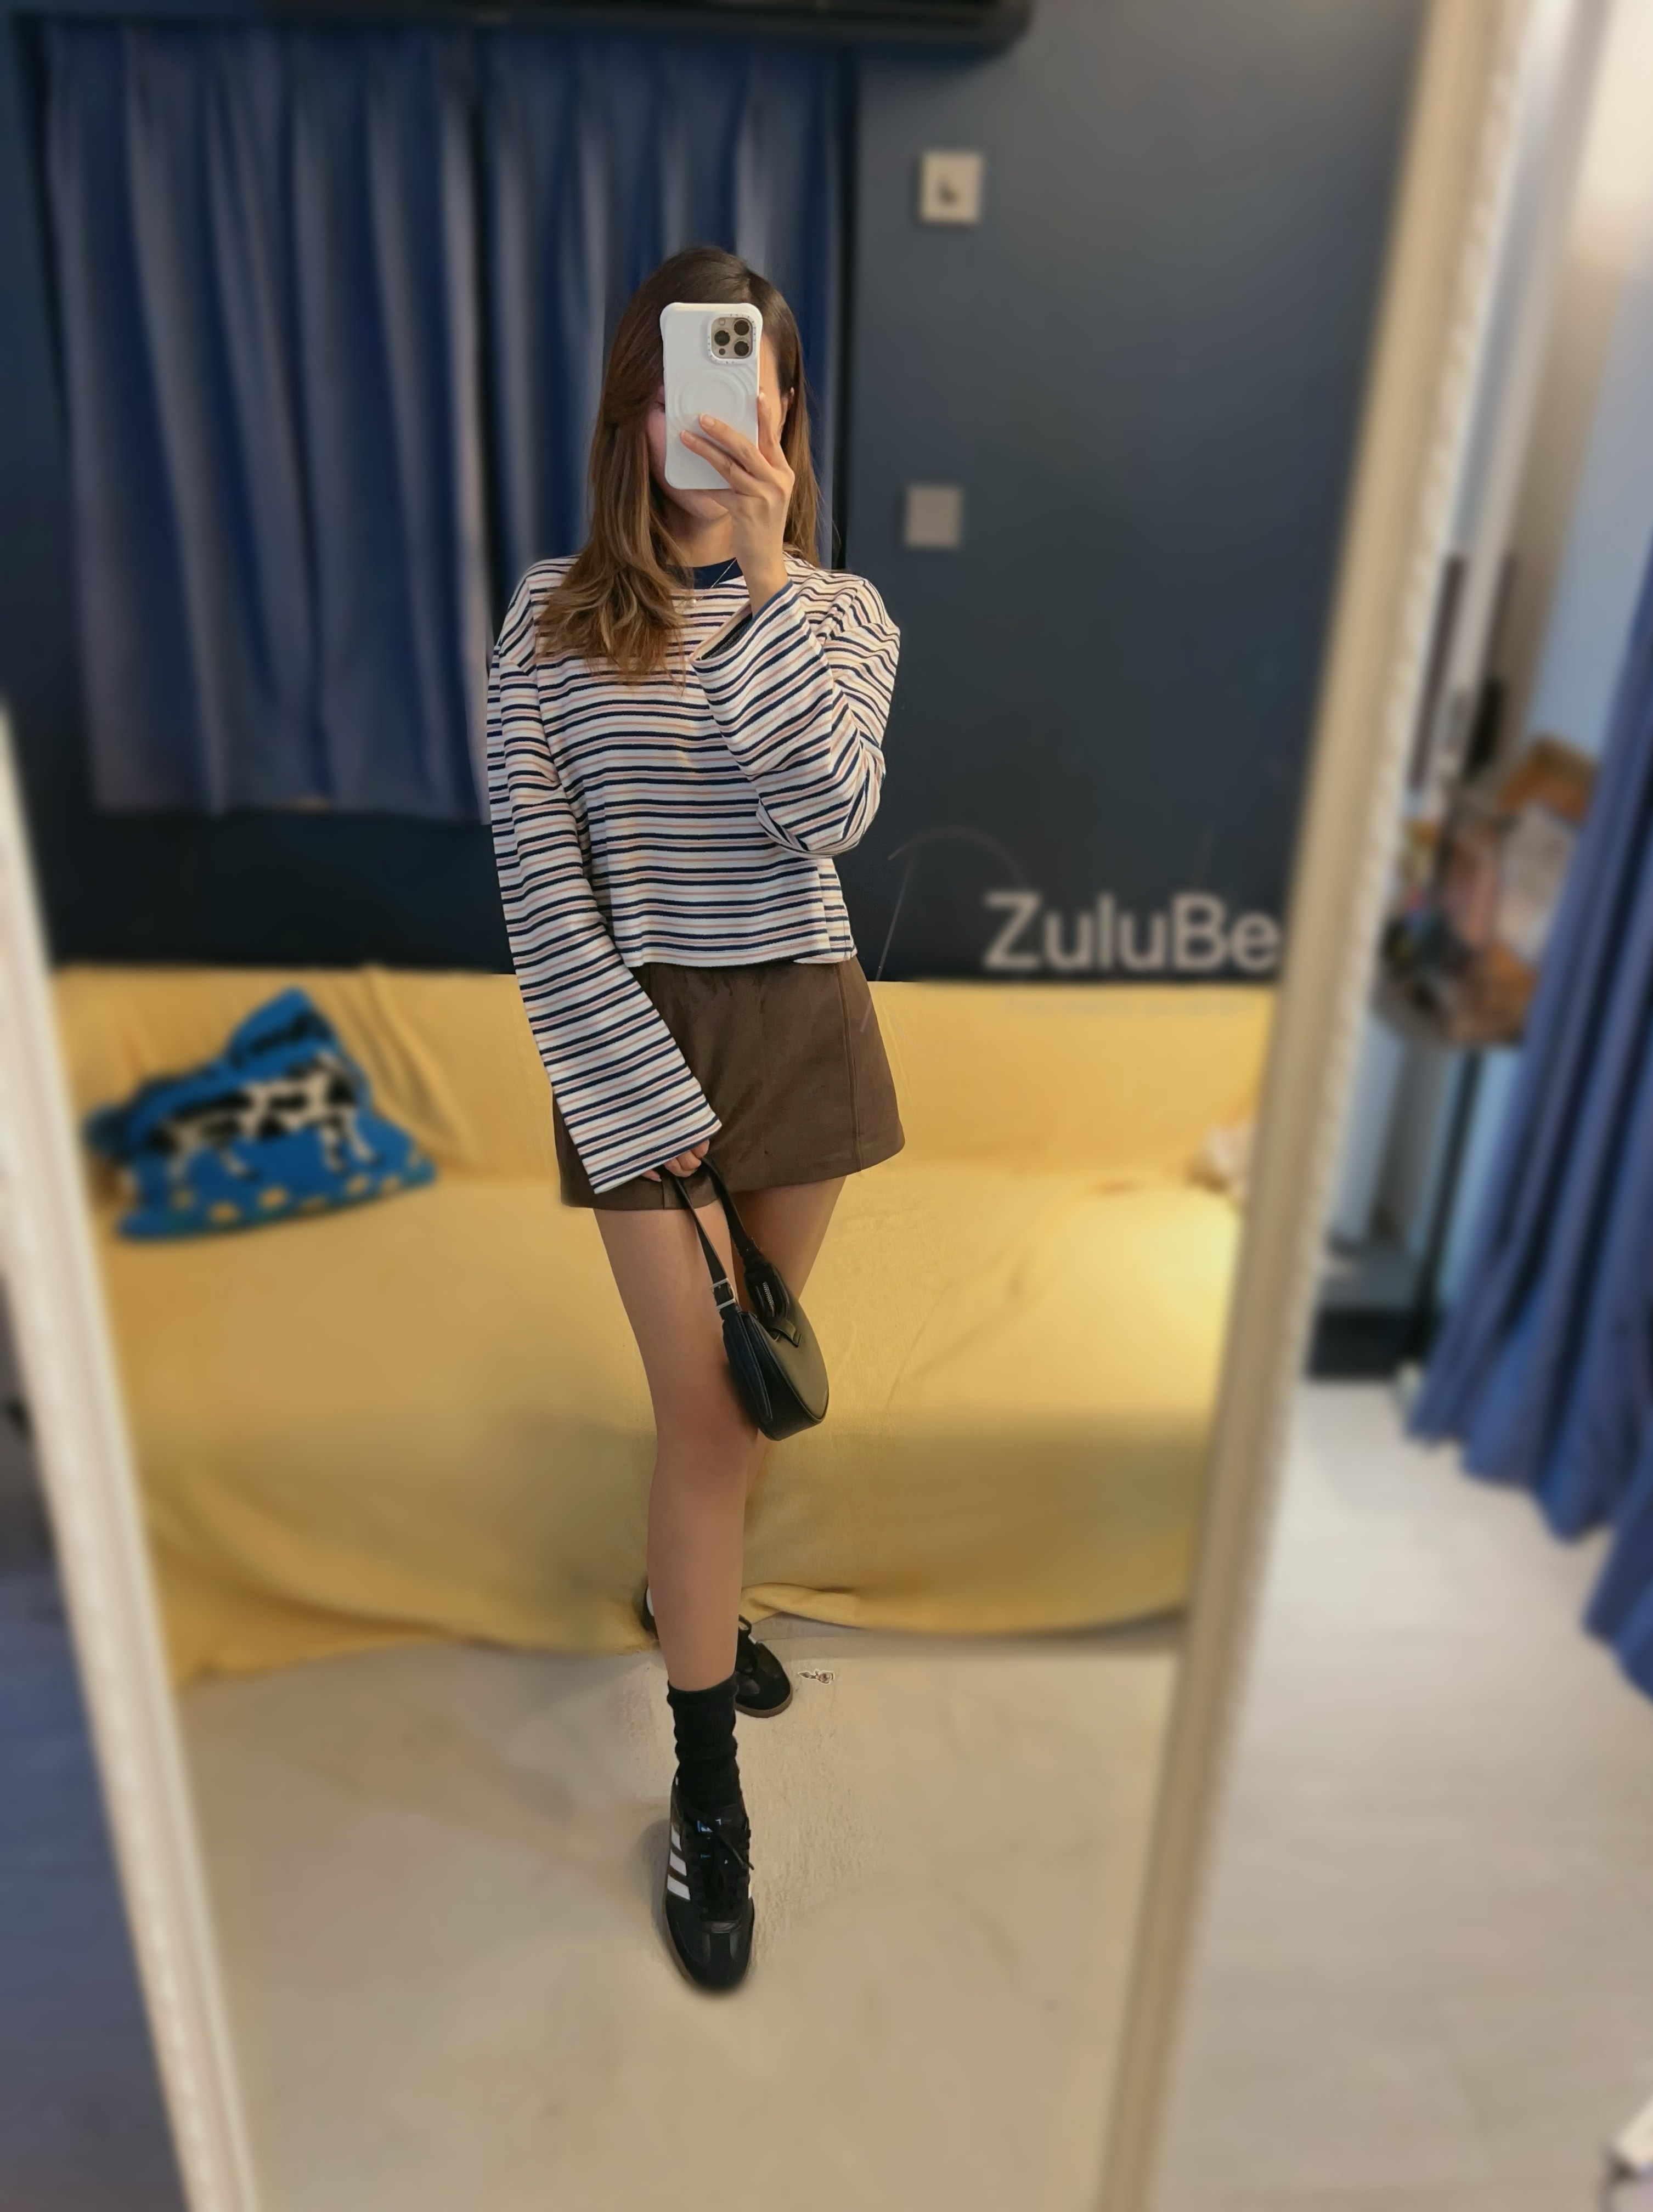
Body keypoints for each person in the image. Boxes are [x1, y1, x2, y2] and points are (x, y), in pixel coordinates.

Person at [486, 246, 903, 1991]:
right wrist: (640, 1100)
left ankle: (695, 1604)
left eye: (753, 384)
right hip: (629, 1035)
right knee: (709, 1415)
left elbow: (828, 808)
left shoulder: (843, 614)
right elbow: (539, 888)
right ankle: (707, 1787)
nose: (721, 413)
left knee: (752, 1391)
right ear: (635, 406)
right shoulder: (548, 617)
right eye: (685, 384)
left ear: (787, 412)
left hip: (802, 1026)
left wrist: (766, 572)